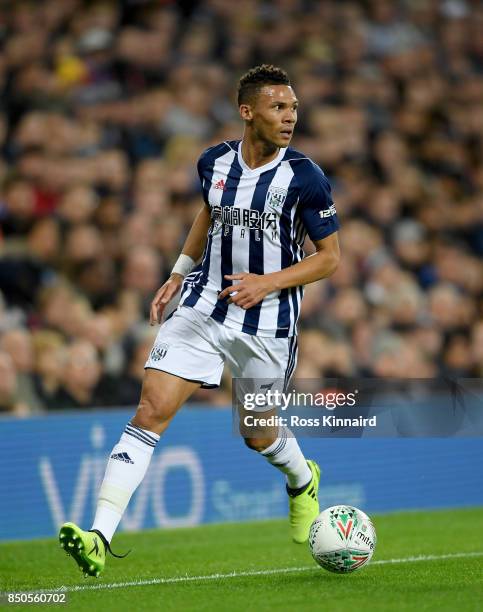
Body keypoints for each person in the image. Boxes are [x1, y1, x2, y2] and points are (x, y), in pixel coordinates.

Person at [59, 65, 340, 577]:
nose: (290, 117)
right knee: (150, 410)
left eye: (294, 108)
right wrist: (177, 272)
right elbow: (208, 215)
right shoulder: (213, 161)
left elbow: (329, 258)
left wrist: (266, 283)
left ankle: (302, 479)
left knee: (257, 433)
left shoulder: (305, 177)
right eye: (279, 107)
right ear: (247, 111)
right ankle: (98, 536)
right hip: (203, 306)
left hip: (268, 323)